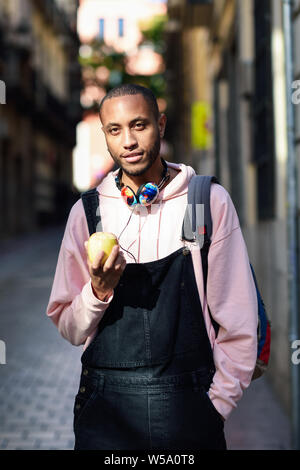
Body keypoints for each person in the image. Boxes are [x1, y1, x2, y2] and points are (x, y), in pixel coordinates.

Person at [46, 84, 258, 450]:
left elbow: (239, 322)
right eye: (115, 130)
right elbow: (69, 328)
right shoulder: (88, 213)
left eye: (139, 125)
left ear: (160, 125)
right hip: (106, 415)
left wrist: (216, 407)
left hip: (189, 415)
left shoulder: (205, 203)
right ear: (105, 136)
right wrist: (97, 292)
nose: (127, 141)